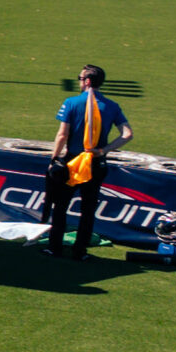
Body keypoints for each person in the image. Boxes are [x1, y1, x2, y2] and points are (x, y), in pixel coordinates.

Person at [45, 63, 135, 259]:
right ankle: (80, 251)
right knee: (88, 210)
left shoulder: (71, 102)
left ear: (86, 81)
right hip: (95, 163)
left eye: (79, 78)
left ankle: (55, 247)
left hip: (72, 162)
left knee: (60, 206)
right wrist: (102, 151)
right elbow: (127, 134)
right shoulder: (111, 106)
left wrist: (54, 157)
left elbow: (62, 135)